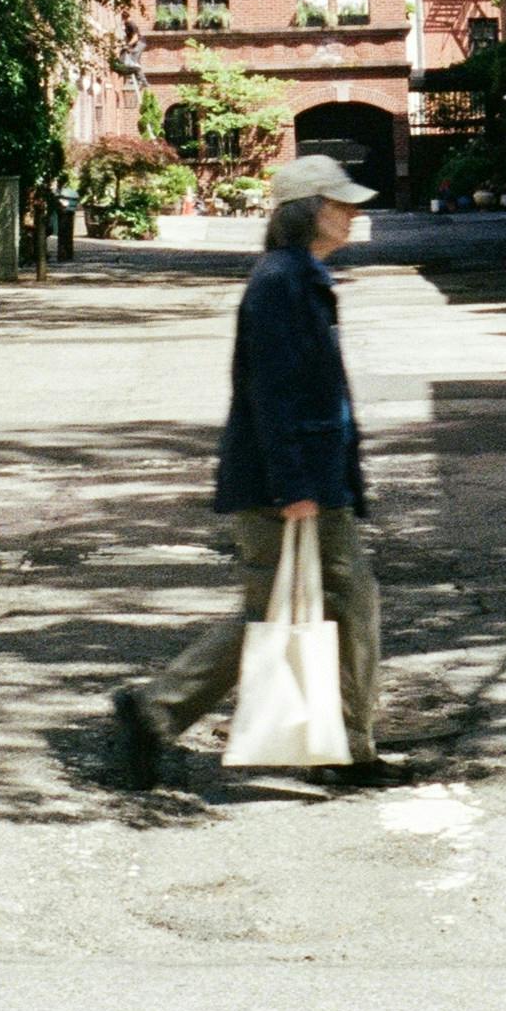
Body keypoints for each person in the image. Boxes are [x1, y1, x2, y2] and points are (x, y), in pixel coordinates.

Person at [114, 152, 383, 789]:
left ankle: (158, 711)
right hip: (289, 483)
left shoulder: (298, 276)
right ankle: (343, 747)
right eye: (340, 204)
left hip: (307, 477)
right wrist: (296, 485)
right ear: (308, 211)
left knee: (302, 609)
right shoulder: (282, 282)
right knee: (331, 606)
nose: (351, 215)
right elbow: (273, 392)